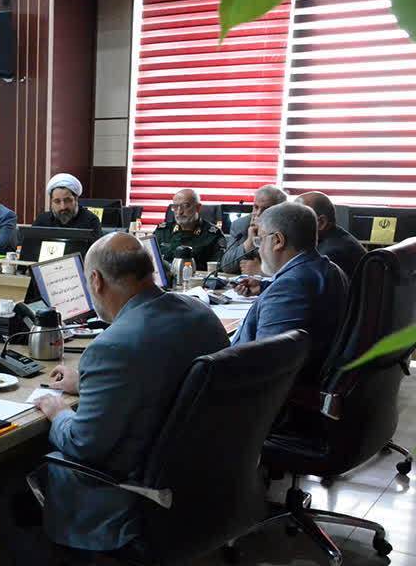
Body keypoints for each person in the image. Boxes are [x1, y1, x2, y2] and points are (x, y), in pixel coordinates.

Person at [23, 232, 229, 556]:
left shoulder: (114, 346)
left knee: (12, 472)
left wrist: (58, 411)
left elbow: (83, 445)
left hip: (132, 493)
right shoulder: (199, 313)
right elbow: (164, 378)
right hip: (201, 480)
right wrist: (88, 382)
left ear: (95, 280)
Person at [231, 202, 348, 382]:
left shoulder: (289, 287)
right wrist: (264, 287)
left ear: (278, 240)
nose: (258, 249)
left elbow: (265, 365)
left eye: (260, 240)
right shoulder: (330, 269)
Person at [219, 184, 288, 274]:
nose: (258, 213)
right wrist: (249, 242)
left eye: (266, 209)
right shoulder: (241, 225)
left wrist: (261, 271)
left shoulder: (288, 227)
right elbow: (226, 266)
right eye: (256, 207)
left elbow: (293, 269)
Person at [296, 191, 367, 278]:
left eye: (296, 220)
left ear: (321, 223)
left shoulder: (330, 255)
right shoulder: (336, 236)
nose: (290, 226)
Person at [153, 188, 226, 268]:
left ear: (198, 208)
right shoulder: (162, 231)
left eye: (185, 206)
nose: (179, 212)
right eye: (175, 207)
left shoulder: (213, 235)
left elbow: (217, 269)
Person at [32, 173, 101, 231]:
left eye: (67, 201)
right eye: (57, 201)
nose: (63, 207)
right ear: (51, 202)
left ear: (76, 199)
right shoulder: (41, 221)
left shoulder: (91, 221)